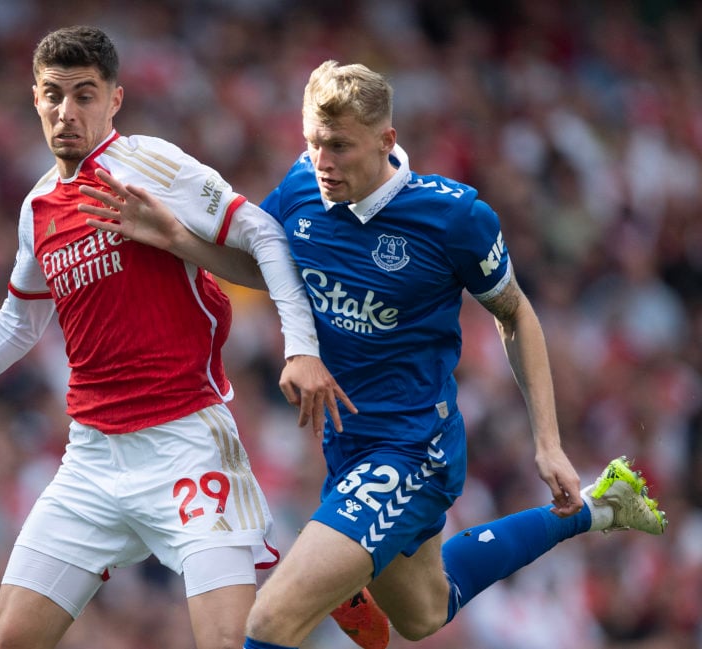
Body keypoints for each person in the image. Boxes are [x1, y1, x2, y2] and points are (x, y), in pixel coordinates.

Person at [76, 60, 669, 649]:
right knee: (424, 613)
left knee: (269, 622)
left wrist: (548, 444)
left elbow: (515, 313)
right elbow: (267, 267)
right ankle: (601, 507)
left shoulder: (454, 217)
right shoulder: (302, 187)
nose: (322, 162)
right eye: (313, 143)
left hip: (414, 449)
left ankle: (338, 570)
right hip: (347, 446)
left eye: (338, 146)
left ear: (387, 141)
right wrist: (177, 238)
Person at [0, 26, 351, 649]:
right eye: (54, 95)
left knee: (229, 643)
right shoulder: (39, 209)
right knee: (7, 641)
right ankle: (319, 577)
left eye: (85, 95)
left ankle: (323, 578)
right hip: (91, 461)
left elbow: (265, 236)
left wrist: (300, 345)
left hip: (185, 447)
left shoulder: (148, 163)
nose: (67, 111)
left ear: (114, 99)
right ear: (35, 98)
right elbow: (16, 323)